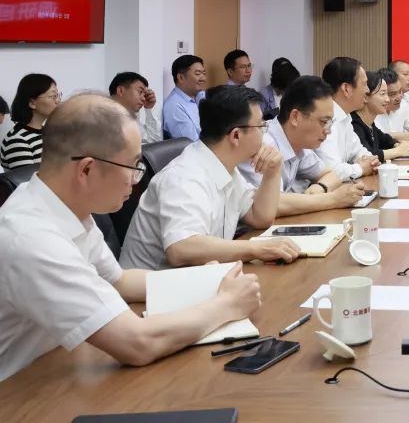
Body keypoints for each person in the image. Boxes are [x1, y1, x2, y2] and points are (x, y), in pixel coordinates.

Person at [0, 93, 262, 382]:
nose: (136, 181)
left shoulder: (63, 205)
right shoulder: (32, 238)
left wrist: (203, 281)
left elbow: (119, 281)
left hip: (59, 364)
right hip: (20, 390)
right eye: (132, 166)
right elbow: (136, 343)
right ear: (86, 169)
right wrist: (226, 305)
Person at [120, 85, 298, 270]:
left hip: (198, 277)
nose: (264, 133)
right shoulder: (184, 177)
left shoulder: (225, 166)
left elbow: (260, 216)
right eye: (261, 126)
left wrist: (273, 172)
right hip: (152, 286)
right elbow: (181, 249)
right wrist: (255, 249)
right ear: (236, 135)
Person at [240, 76, 369, 217]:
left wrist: (320, 187)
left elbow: (331, 173)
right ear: (295, 117)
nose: (328, 131)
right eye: (323, 122)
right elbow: (270, 204)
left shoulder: (298, 143)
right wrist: (333, 199)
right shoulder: (260, 144)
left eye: (330, 123)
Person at [318, 57, 380, 180]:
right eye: (364, 84)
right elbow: (333, 171)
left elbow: (359, 152)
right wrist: (361, 168)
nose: (368, 90)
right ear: (346, 89)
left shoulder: (345, 117)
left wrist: (371, 162)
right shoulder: (325, 120)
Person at [353, 69, 409, 162]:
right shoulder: (354, 124)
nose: (387, 99)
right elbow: (367, 155)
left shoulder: (370, 124)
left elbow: (386, 140)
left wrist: (397, 145)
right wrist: (398, 151)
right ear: (365, 96)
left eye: (387, 94)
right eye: (383, 94)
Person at [1, 74, 59, 170]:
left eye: (58, 95)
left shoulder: (48, 132)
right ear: (32, 103)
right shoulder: (17, 141)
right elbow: (28, 180)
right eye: (53, 96)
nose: (57, 101)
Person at [162, 55, 207, 141]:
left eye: (204, 74)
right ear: (181, 78)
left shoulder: (201, 96)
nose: (203, 78)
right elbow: (192, 144)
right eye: (198, 74)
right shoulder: (174, 106)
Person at [109, 72, 162, 143]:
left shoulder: (129, 118)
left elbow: (154, 142)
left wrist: (149, 109)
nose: (144, 98)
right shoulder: (101, 118)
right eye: (140, 92)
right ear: (120, 91)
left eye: (144, 94)